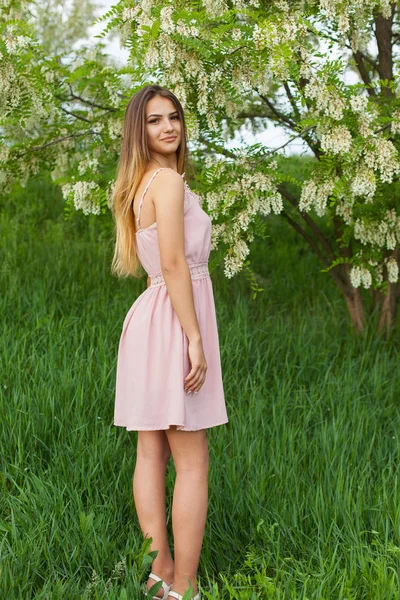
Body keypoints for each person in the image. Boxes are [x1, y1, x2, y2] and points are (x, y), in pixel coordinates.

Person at [111, 84, 229, 600]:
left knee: (150, 454)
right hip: (176, 321)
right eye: (155, 120)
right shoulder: (169, 182)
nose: (168, 127)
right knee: (191, 459)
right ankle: (186, 584)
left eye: (174, 117)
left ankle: (159, 579)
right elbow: (178, 264)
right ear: (140, 130)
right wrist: (195, 338)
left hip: (150, 319)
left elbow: (160, 267)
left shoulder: (140, 184)